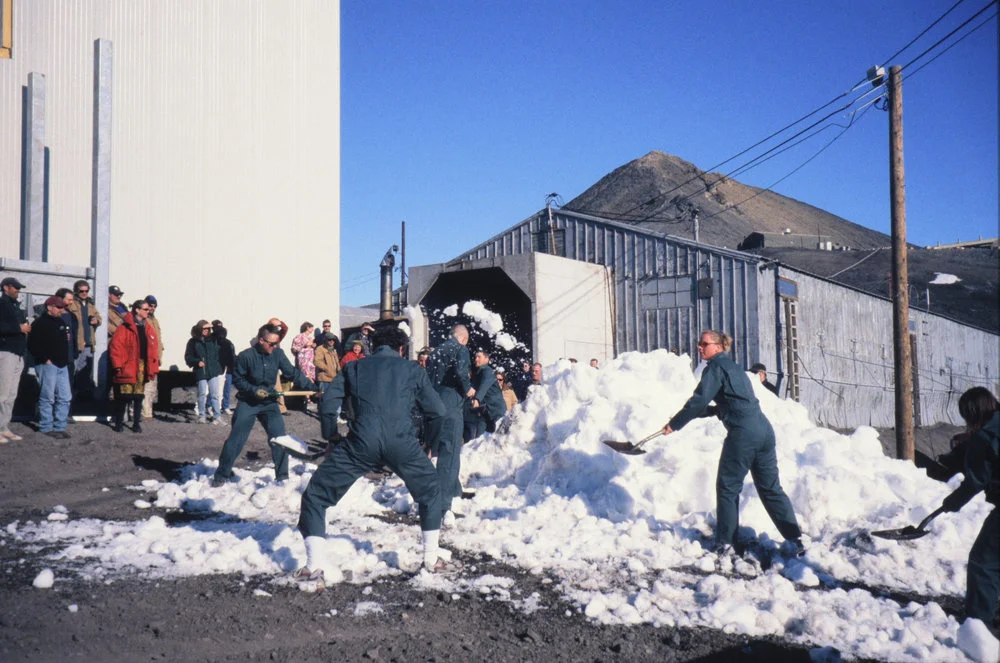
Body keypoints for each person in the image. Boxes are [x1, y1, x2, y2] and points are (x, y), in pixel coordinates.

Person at [295, 326, 450, 587]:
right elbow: (438, 412)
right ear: (401, 349)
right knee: (431, 492)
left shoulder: (354, 368)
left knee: (316, 496)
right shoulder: (413, 370)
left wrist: (332, 436)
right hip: (403, 442)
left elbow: (328, 404)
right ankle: (431, 559)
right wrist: (428, 445)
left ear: (371, 347)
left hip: (360, 442)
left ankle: (313, 565)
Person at [661, 329, 804, 557]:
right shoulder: (734, 368)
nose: (700, 347)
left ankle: (725, 543)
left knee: (727, 487)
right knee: (770, 489)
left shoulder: (715, 368)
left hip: (743, 434)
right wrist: (708, 412)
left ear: (717, 347)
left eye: (704, 343)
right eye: (699, 343)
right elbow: (734, 402)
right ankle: (795, 539)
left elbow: (698, 401)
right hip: (764, 431)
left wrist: (675, 423)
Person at [212, 323, 316, 487]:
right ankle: (221, 475)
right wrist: (254, 390)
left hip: (269, 403)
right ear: (261, 340)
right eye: (271, 344)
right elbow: (238, 380)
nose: (274, 347)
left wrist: (313, 387)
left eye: (276, 343)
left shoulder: (278, 354)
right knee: (236, 439)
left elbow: (291, 373)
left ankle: (282, 477)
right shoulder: (245, 356)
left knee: (280, 439)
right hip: (249, 402)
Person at [937, 387, 999, 653]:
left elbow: (975, 481)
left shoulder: (984, 437)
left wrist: (952, 502)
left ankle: (979, 624)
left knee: (983, 562)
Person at [424, 324, 475, 520]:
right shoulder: (460, 349)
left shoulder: (436, 351)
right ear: (463, 338)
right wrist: (468, 388)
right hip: (451, 404)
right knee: (450, 452)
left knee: (443, 449)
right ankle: (443, 505)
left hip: (434, 403)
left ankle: (455, 490)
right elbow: (462, 373)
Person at [108, 300, 160, 433]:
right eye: (146, 309)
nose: (148, 311)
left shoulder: (148, 328)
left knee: (138, 396)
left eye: (148, 310)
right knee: (124, 396)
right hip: (128, 364)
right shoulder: (124, 327)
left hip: (142, 365)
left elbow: (153, 349)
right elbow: (116, 347)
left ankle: (136, 423)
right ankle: (119, 423)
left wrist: (153, 366)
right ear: (137, 310)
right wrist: (118, 365)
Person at [27, 296, 73, 438]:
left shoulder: (61, 322)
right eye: (58, 307)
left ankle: (60, 426)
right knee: (47, 396)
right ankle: (46, 426)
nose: (61, 310)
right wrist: (44, 359)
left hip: (62, 364)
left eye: (63, 308)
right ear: (49, 307)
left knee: (65, 397)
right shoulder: (39, 323)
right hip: (48, 365)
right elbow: (32, 345)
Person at [0, 276, 31, 442]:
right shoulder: (2, 304)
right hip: (5, 351)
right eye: (15, 287)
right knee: (2, 392)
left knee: (11, 393)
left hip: (18, 352)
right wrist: (17, 328)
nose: (18, 291)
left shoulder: (15, 306)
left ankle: (4, 426)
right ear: (6, 287)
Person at [66, 279, 101, 401]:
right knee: (71, 373)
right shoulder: (72, 304)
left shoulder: (91, 305)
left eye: (86, 291)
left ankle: (76, 400)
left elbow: (99, 318)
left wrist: (96, 321)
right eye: (81, 291)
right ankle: (68, 401)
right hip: (76, 344)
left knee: (83, 375)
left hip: (89, 344)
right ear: (76, 291)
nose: (84, 293)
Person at [184, 320, 224, 424]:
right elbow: (188, 357)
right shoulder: (192, 342)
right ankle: (202, 416)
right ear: (199, 329)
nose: (206, 330)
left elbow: (221, 332)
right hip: (201, 371)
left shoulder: (213, 339)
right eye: (204, 328)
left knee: (215, 394)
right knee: (202, 394)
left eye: (208, 329)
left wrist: (213, 325)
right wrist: (197, 362)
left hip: (213, 371)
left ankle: (217, 416)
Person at [467, 348, 507, 437]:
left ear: (486, 359)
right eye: (475, 357)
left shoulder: (487, 371)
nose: (476, 359)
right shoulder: (478, 373)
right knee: (480, 438)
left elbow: (483, 386)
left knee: (498, 438)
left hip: (496, 411)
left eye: (479, 357)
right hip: (484, 412)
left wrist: (477, 399)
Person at [141, 296, 164, 420]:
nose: (152, 308)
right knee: (141, 385)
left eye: (154, 306)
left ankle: (147, 412)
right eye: (150, 305)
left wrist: (159, 356)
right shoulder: (142, 320)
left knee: (151, 388)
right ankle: (139, 411)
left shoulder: (155, 321)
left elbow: (158, 340)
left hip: (154, 358)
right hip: (145, 357)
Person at [213, 320, 237, 415]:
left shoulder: (228, 342)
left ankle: (226, 406)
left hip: (228, 368)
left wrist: (232, 365)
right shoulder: (212, 342)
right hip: (218, 368)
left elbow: (232, 355)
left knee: (227, 388)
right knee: (215, 389)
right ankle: (212, 406)